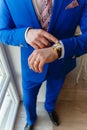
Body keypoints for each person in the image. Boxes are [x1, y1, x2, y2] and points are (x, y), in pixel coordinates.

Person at [0, 0, 87, 130]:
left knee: (54, 92)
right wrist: (25, 35)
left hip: (61, 63)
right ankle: (30, 120)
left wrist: (57, 50)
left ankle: (50, 109)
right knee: (28, 99)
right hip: (30, 65)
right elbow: (2, 32)